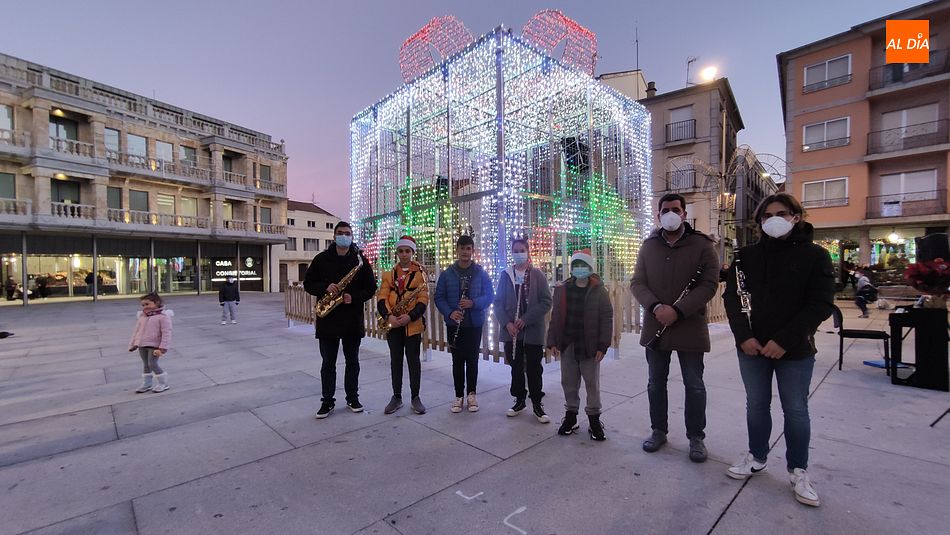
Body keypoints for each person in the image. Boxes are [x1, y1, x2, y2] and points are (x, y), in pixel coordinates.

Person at [722, 193, 834, 507]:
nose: (774, 218)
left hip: (795, 350)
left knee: (796, 410)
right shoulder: (745, 256)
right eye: (766, 215)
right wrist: (744, 336)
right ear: (759, 221)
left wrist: (784, 340)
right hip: (752, 348)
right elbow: (736, 299)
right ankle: (757, 456)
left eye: (781, 213)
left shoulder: (816, 256)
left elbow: (820, 304)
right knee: (756, 405)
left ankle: (798, 469)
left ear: (796, 216)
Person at [630, 193, 720, 462]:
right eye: (665, 210)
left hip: (689, 326)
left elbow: (709, 284)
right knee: (655, 383)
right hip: (656, 325)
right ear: (658, 215)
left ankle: (696, 437)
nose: (670, 213)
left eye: (676, 209)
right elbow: (637, 283)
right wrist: (657, 307)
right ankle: (658, 430)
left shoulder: (702, 245)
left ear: (684, 214)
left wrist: (678, 310)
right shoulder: (648, 247)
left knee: (694, 385)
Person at [304, 221, 378, 419]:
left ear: (352, 236)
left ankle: (352, 398)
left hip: (351, 319)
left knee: (352, 361)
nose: (344, 236)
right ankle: (327, 401)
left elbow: (371, 288)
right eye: (340, 233)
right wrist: (325, 287)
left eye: (347, 233)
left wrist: (352, 297)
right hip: (328, 320)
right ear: (334, 236)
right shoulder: (321, 259)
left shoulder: (360, 260)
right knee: (328, 363)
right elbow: (308, 283)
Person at [547, 249, 613, 441]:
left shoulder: (599, 291)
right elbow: (556, 317)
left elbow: (606, 318)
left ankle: (594, 419)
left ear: (590, 267)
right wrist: (552, 341)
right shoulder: (562, 289)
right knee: (568, 382)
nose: (579, 269)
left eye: (583, 265)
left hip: (590, 347)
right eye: (576, 265)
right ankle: (571, 416)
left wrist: (603, 345)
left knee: (592, 384)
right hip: (568, 344)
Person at [494, 238, 552, 423]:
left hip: (532, 332)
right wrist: (507, 324)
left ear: (527, 252)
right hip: (513, 333)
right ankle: (519, 399)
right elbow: (498, 303)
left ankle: (537, 403)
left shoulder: (537, 275)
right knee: (516, 367)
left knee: (535, 368)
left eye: (521, 250)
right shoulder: (506, 275)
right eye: (515, 251)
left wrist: (526, 319)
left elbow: (546, 301)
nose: (518, 253)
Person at [434, 235, 493, 414]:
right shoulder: (447, 274)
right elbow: (439, 297)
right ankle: (459, 396)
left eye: (468, 249)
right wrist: (450, 312)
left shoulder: (480, 272)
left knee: (472, 361)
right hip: (455, 325)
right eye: (462, 248)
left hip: (474, 325)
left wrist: (473, 303)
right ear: (457, 250)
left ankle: (472, 395)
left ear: (472, 251)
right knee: (457, 362)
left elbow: (489, 296)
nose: (465, 252)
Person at [377, 236, 429, 415]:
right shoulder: (389, 274)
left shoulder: (420, 274)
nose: (404, 254)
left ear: (413, 252)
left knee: (414, 362)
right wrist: (388, 316)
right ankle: (396, 397)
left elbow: (423, 300)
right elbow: (381, 297)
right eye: (401, 251)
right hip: (393, 324)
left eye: (408, 251)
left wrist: (411, 316)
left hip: (412, 325)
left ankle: (415, 397)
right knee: (396, 361)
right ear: (397, 253)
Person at [128, 292, 174, 393]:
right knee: (146, 364)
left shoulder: (163, 316)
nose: (145, 307)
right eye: (143, 305)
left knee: (153, 364)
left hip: (154, 345)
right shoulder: (142, 316)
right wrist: (133, 343)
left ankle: (163, 383)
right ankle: (147, 384)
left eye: (147, 304)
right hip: (142, 344)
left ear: (156, 303)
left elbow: (167, 333)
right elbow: (137, 331)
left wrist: (162, 348)